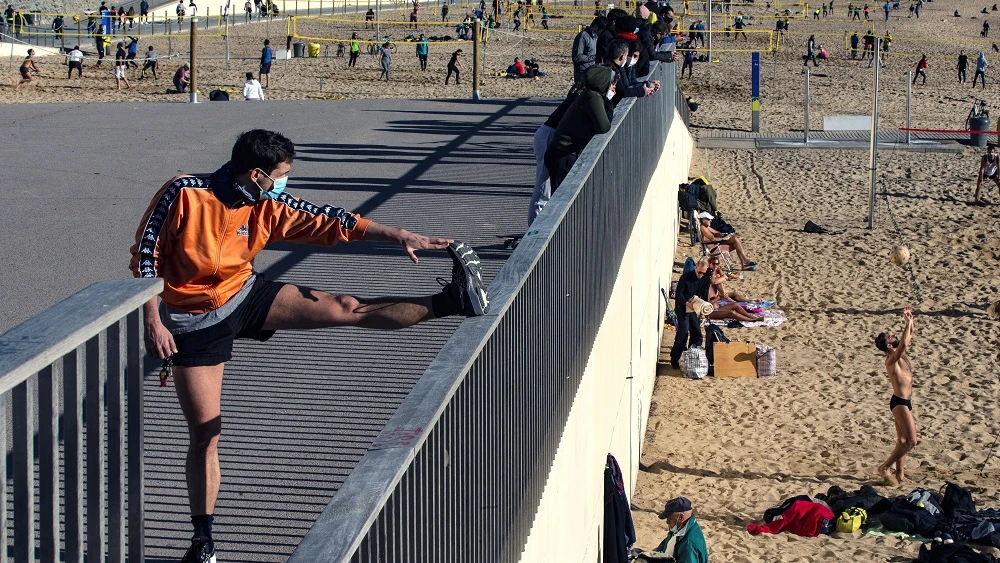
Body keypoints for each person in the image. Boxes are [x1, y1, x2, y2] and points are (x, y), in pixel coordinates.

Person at [130, 129, 488, 563]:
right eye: (280, 175)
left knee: (345, 307)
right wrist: (154, 321)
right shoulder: (184, 192)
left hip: (242, 292)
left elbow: (329, 218)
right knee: (206, 433)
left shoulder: (267, 202)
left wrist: (398, 234)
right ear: (257, 173)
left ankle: (452, 301)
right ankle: (203, 541)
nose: (285, 183)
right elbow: (145, 258)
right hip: (191, 320)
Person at [544, 65, 615, 192]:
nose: (613, 86)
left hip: (561, 153)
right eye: (610, 83)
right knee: (561, 198)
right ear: (603, 82)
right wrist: (609, 99)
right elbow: (604, 126)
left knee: (559, 195)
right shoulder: (592, 97)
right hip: (564, 155)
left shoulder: (589, 95)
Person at [529, 82, 585, 224]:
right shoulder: (582, 97)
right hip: (549, 136)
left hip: (550, 136)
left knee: (547, 188)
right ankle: (534, 228)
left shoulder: (580, 95)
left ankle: (538, 225)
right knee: (544, 189)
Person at [874, 306, 917, 486]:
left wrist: (910, 321)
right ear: (890, 346)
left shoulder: (900, 355)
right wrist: (906, 324)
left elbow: (909, 337)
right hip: (899, 403)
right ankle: (884, 467)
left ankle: (900, 475)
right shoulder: (892, 359)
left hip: (905, 401)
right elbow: (905, 343)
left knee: (902, 440)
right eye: (892, 337)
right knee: (911, 441)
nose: (895, 336)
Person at [669, 258, 711, 369]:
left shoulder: (706, 279)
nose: (701, 275)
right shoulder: (685, 277)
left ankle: (692, 356)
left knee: (696, 331)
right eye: (699, 272)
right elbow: (678, 296)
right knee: (683, 332)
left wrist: (704, 309)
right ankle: (675, 359)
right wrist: (688, 304)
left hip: (695, 306)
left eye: (703, 273)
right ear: (695, 268)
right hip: (683, 306)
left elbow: (705, 295)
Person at [648, 497, 709, 563]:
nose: (667, 522)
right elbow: (662, 548)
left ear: (681, 517)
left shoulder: (688, 544)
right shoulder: (680, 529)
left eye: (670, 518)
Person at [571, 17, 601, 83]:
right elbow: (577, 57)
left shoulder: (596, 37)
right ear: (595, 27)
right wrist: (595, 57)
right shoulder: (583, 36)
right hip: (583, 73)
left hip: (593, 72)